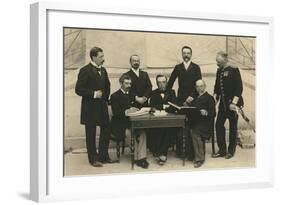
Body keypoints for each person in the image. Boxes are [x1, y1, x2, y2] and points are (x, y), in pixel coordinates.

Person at [75, 46, 114, 167]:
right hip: (90, 108)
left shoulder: (103, 70)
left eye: (103, 56)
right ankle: (93, 159)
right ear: (93, 57)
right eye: (101, 56)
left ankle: (103, 156)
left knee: (106, 130)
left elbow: (107, 86)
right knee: (90, 134)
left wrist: (106, 100)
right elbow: (78, 89)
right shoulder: (85, 70)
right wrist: (94, 94)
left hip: (102, 107)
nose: (103, 59)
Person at [167, 46, 202, 160]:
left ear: (191, 55)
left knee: (191, 125)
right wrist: (171, 97)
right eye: (184, 53)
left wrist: (192, 97)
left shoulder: (196, 67)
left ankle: (191, 154)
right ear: (182, 55)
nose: (186, 55)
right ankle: (181, 152)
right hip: (181, 101)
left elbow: (199, 85)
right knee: (181, 125)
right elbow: (170, 83)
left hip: (193, 100)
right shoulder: (178, 67)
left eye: (188, 53)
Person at [110, 74, 149, 169]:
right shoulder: (115, 96)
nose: (129, 86)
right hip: (120, 125)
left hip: (133, 122)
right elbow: (115, 113)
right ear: (121, 83)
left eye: (130, 84)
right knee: (129, 134)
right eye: (126, 83)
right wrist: (127, 111)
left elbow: (137, 108)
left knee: (143, 132)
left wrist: (137, 109)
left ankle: (141, 158)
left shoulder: (132, 95)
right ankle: (138, 159)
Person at [212, 51, 244, 159]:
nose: (217, 64)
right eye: (217, 62)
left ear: (225, 60)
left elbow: (239, 88)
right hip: (223, 104)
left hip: (233, 104)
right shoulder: (219, 71)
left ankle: (231, 151)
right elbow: (217, 87)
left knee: (233, 128)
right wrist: (214, 99)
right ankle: (222, 150)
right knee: (218, 125)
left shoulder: (234, 70)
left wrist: (234, 103)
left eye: (219, 62)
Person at [148, 75, 177, 165]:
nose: (161, 84)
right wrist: (165, 106)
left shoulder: (172, 92)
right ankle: (161, 154)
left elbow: (175, 105)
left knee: (168, 130)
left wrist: (163, 107)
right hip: (157, 119)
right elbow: (153, 105)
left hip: (170, 119)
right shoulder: (153, 93)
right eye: (159, 82)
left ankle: (161, 153)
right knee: (156, 130)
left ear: (167, 82)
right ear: (156, 83)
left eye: (163, 82)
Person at [189, 80, 216, 168]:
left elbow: (213, 113)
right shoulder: (195, 97)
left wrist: (206, 112)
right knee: (186, 129)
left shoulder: (209, 98)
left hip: (206, 123)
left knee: (195, 132)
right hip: (196, 121)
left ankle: (200, 158)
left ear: (205, 86)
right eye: (197, 86)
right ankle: (190, 154)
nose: (199, 88)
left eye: (201, 86)